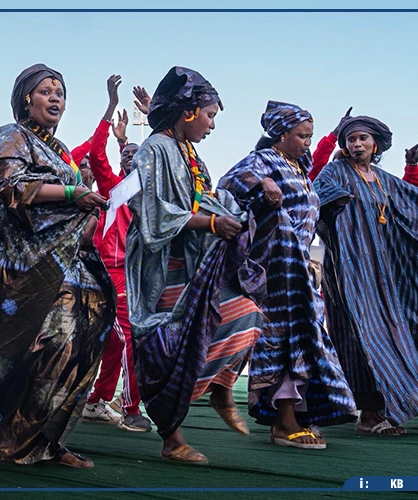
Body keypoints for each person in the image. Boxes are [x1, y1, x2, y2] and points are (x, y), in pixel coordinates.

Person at [0, 63, 114, 469]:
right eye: (46, 91)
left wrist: (86, 214)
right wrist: (73, 193)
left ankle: (45, 439)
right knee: (43, 345)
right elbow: (9, 186)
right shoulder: (10, 134)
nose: (55, 97)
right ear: (26, 99)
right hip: (18, 262)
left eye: (60, 92)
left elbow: (67, 203)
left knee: (82, 338)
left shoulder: (61, 151)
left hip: (63, 258)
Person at [121, 67, 264, 464]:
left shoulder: (189, 153)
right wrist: (211, 223)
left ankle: (222, 387)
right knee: (170, 350)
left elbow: (202, 198)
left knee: (247, 313)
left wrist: (235, 210)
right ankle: (172, 439)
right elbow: (150, 209)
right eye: (210, 115)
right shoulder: (153, 149)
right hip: (162, 267)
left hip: (194, 262)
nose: (212, 125)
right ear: (189, 112)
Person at [312, 114, 418, 435]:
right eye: (351, 139)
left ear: (376, 145)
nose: (357, 144)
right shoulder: (336, 171)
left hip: (382, 272)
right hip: (350, 270)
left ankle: (389, 405)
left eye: (363, 138)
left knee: (394, 332)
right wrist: (334, 201)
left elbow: (417, 201)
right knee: (362, 334)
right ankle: (369, 413)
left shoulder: (383, 180)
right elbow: (316, 194)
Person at [218, 101, 357, 451]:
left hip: (300, 268)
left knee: (305, 339)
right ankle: (284, 420)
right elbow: (229, 181)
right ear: (281, 135)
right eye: (301, 136)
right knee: (283, 339)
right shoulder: (265, 159)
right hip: (277, 270)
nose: (307, 142)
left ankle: (298, 413)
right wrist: (263, 181)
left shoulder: (300, 167)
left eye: (310, 136)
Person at [80, 75, 151, 433]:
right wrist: (110, 109)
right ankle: (131, 407)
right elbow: (95, 153)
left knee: (113, 342)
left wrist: (150, 120)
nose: (129, 157)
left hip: (140, 274)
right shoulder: (114, 187)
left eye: (136, 154)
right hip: (113, 271)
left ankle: (96, 400)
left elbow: (172, 158)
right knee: (129, 340)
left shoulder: (152, 189)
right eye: (125, 155)